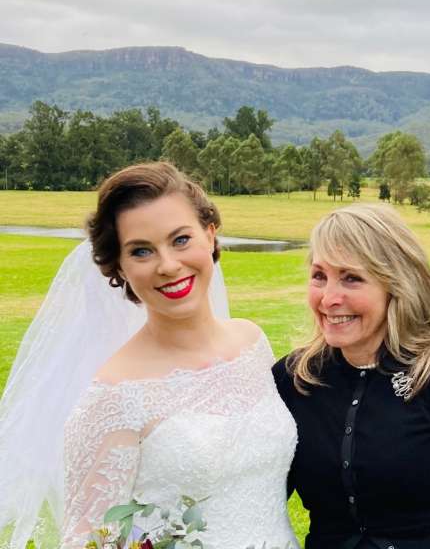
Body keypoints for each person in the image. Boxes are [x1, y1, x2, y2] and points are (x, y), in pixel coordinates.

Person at [0, 162, 299, 549]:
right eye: (141, 251)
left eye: (180, 239)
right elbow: (88, 541)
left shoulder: (252, 343)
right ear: (119, 268)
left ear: (210, 235)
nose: (168, 265)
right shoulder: (112, 397)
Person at [273, 203, 430, 549]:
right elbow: (254, 495)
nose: (330, 298)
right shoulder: (295, 380)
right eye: (319, 276)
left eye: (352, 278)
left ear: (395, 285)